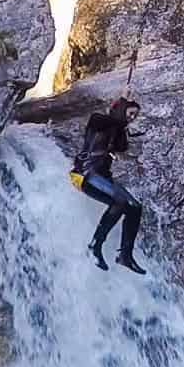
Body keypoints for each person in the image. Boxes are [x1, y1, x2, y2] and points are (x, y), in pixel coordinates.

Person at [72, 97, 148, 275]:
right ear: (120, 109)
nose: (132, 118)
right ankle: (95, 246)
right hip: (86, 174)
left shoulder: (118, 130)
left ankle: (125, 256)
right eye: (130, 113)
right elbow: (107, 120)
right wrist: (122, 101)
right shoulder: (97, 120)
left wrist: (123, 125)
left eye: (135, 116)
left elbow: (122, 147)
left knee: (135, 207)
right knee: (119, 202)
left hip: (103, 177)